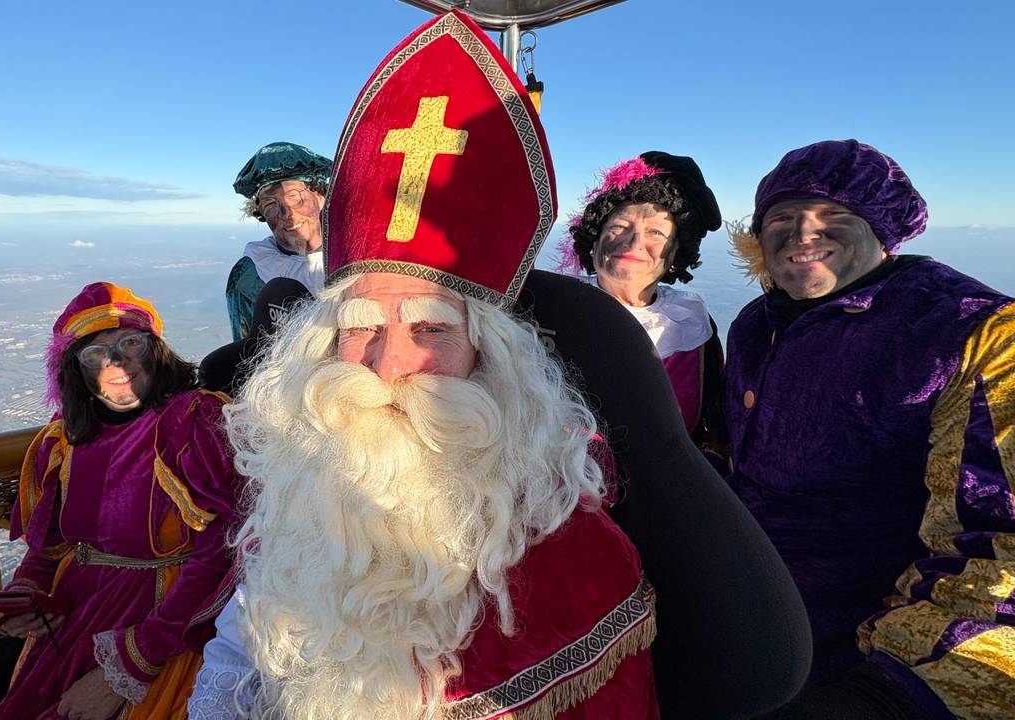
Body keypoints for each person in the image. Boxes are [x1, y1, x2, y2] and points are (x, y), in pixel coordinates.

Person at [186, 11, 809, 719]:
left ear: (493, 357)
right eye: (360, 327)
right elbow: (241, 652)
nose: (388, 365)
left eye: (429, 328)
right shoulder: (300, 505)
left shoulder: (572, 561)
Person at [724, 139, 1015, 719]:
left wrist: (889, 692)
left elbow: (998, 550)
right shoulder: (756, 325)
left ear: (884, 232)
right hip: (743, 629)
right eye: (782, 217)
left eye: (834, 215)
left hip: (863, 662)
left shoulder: (970, 333)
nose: (803, 231)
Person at [0, 282, 243, 720]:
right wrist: (28, 593)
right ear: (77, 372)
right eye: (95, 353)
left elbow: (221, 551)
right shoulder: (64, 439)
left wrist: (131, 663)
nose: (116, 362)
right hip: (75, 622)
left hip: (166, 623)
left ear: (155, 352)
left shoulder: (191, 424)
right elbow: (48, 548)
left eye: (130, 343)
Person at [559, 151, 727, 455]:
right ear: (594, 239)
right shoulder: (549, 305)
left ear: (675, 253)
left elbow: (711, 423)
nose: (634, 243)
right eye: (620, 226)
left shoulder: (693, 325)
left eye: (656, 232)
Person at [225, 142, 331, 340]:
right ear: (261, 213)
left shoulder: (358, 261)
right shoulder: (249, 275)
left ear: (320, 196)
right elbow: (246, 352)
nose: (288, 215)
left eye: (296, 197)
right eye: (271, 204)